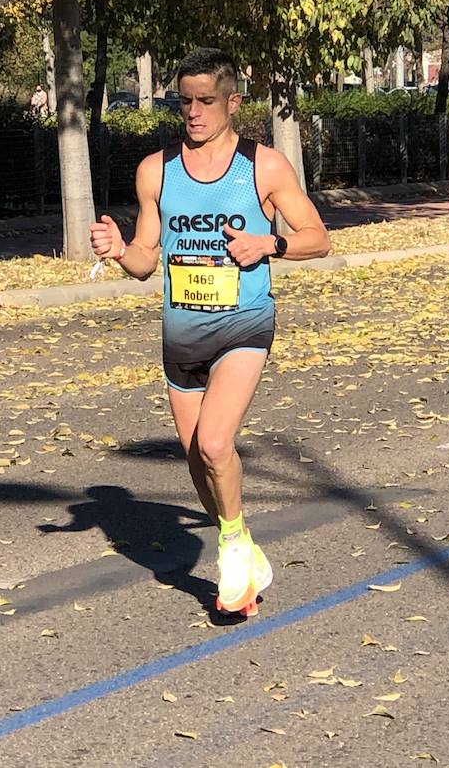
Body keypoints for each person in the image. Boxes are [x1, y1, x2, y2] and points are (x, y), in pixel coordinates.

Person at [89, 47, 331, 616]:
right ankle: (243, 542)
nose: (193, 112)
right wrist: (122, 250)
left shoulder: (263, 166)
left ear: (232, 103)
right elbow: (148, 258)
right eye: (185, 101)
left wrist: (267, 244)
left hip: (244, 325)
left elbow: (318, 236)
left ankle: (228, 550)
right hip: (181, 336)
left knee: (216, 443)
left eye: (205, 101)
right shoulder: (157, 170)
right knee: (198, 458)